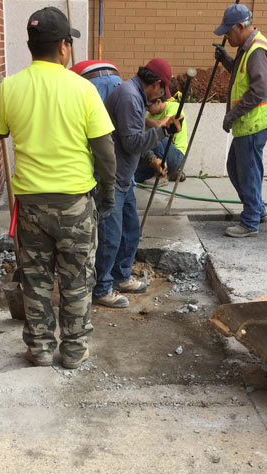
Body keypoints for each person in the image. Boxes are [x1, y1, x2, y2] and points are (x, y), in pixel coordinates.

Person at [0, 7, 117, 369]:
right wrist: (107, 195)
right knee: (76, 281)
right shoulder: (83, 89)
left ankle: (40, 349)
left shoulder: (10, 88)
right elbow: (105, 150)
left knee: (36, 280)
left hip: (30, 207)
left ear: (31, 46)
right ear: (63, 46)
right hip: (75, 205)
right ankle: (73, 351)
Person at [93, 58, 182, 308]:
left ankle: (121, 275)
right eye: (161, 90)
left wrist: (152, 159)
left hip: (124, 176)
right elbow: (131, 142)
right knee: (111, 236)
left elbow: (128, 140)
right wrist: (163, 130)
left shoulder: (134, 96)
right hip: (111, 177)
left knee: (130, 230)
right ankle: (101, 288)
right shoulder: (130, 97)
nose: (160, 97)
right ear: (155, 84)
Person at [213, 4, 267, 238]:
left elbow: (258, 90)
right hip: (249, 124)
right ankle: (257, 210)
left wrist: (232, 115)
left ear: (240, 27)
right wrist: (226, 60)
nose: (226, 36)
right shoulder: (249, 46)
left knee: (248, 172)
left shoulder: (256, 50)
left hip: (254, 123)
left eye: (228, 32)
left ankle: (251, 220)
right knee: (236, 167)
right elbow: (242, 74)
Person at [134, 94, 189, 186]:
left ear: (158, 101)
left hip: (175, 156)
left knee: (156, 133)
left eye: (148, 106)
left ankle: (162, 175)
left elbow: (161, 126)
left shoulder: (174, 106)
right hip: (157, 160)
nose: (147, 110)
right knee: (132, 175)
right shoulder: (149, 115)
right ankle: (170, 173)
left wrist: (144, 120)